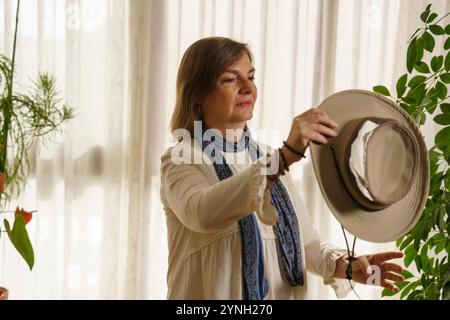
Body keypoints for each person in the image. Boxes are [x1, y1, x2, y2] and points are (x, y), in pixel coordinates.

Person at [159, 37, 405, 299]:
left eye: (251, 77)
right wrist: (286, 156)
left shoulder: (268, 157)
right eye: (230, 79)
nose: (247, 87)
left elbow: (306, 243)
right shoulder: (181, 157)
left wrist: (346, 266)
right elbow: (203, 212)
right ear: (197, 92)